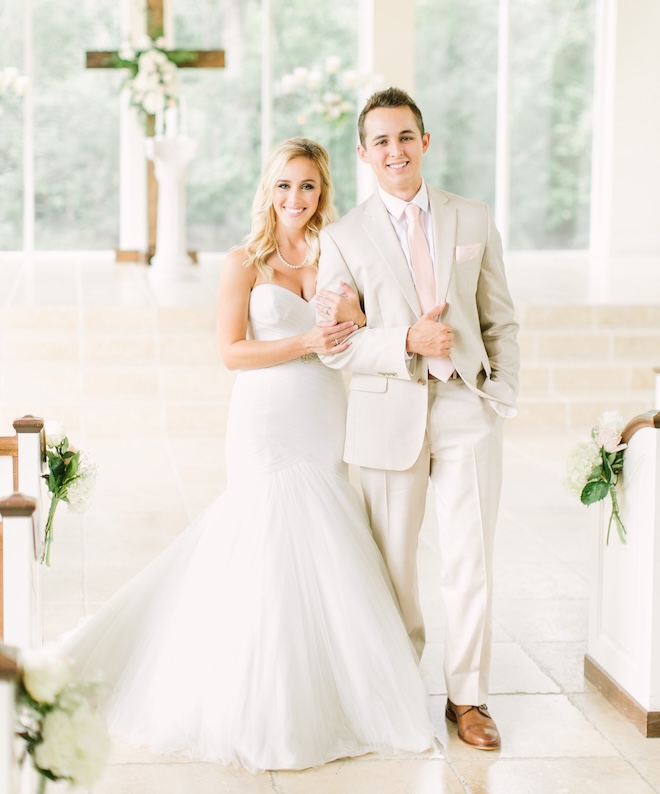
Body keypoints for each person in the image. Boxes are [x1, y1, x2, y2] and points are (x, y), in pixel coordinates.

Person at [59, 137, 434, 773]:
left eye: (309, 186)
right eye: (285, 185)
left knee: (324, 535)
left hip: (321, 409)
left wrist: (351, 321)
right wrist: (307, 340)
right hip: (264, 415)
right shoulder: (244, 262)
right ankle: (257, 691)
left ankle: (335, 688)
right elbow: (231, 352)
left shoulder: (335, 253)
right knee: (264, 532)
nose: (296, 197)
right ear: (269, 190)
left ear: (323, 193)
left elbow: (362, 328)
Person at [316, 88, 520, 751]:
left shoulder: (474, 218)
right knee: (393, 565)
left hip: (467, 406)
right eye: (381, 141)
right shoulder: (343, 238)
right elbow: (335, 344)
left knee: (472, 560)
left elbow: (500, 316)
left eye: (405, 137)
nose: (395, 150)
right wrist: (405, 341)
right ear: (363, 154)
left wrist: (501, 396)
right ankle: (400, 686)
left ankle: (468, 697)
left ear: (424, 142)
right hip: (386, 414)